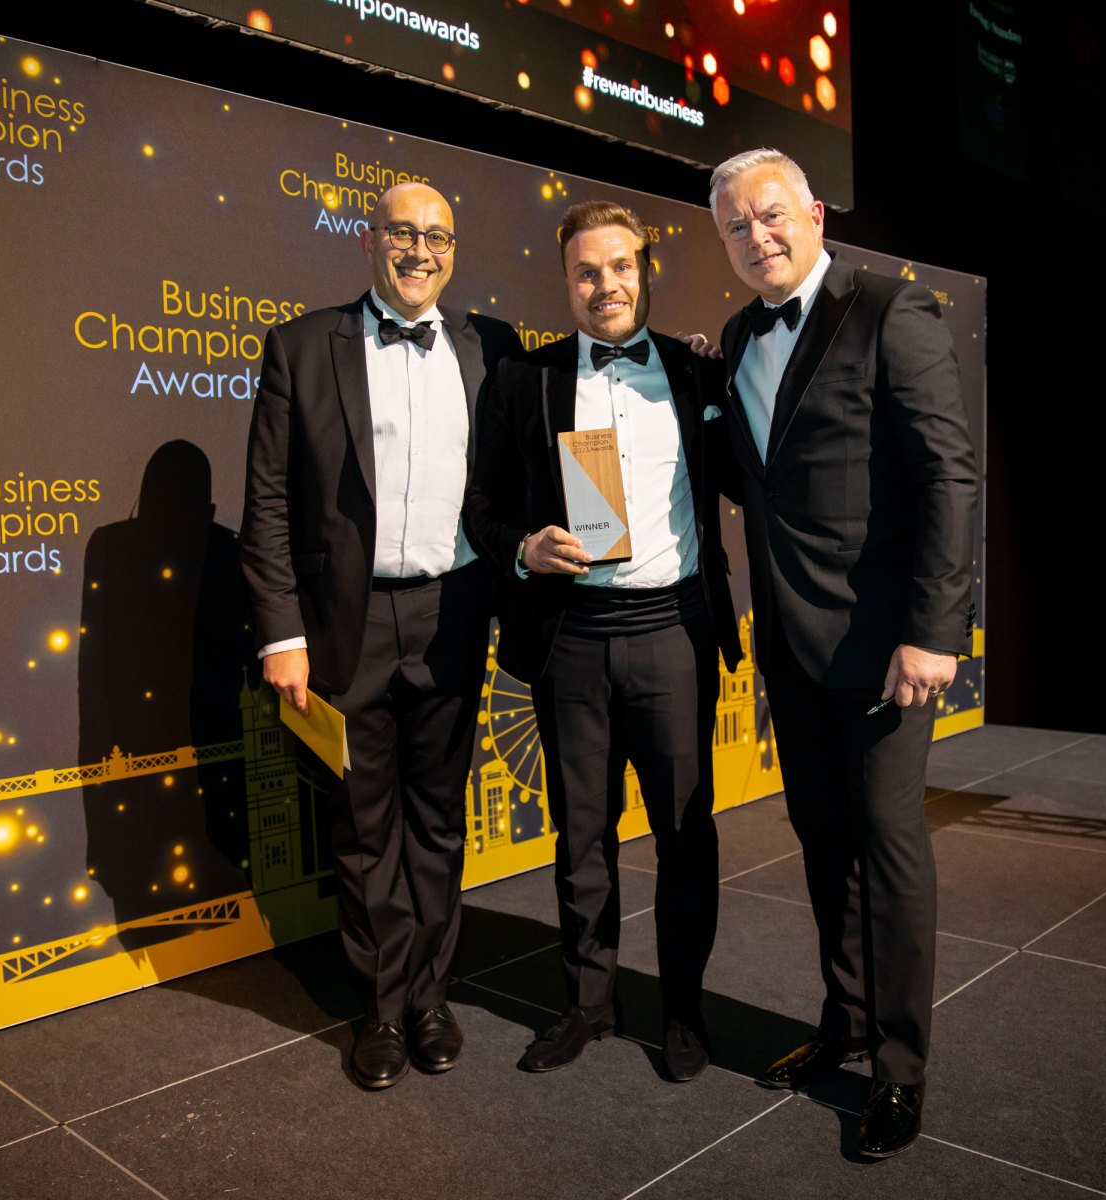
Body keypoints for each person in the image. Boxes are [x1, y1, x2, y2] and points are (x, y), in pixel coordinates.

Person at [707, 149, 978, 1157]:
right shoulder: (739, 335)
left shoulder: (891, 310)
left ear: (815, 214)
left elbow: (948, 476)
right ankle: (848, 1020)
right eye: (736, 226)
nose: (757, 237)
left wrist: (934, 632)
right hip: (788, 638)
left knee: (889, 845)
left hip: (885, 645)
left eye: (771, 215)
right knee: (823, 840)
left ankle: (900, 1071)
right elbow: (760, 478)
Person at [240, 181, 521, 1089]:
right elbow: (269, 504)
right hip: (344, 625)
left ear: (454, 249)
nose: (420, 250)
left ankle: (430, 998)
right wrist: (281, 633)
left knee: (438, 820)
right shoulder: (300, 346)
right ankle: (381, 1009)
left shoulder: (492, 347)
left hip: (452, 615)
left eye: (437, 235)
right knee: (363, 829)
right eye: (402, 232)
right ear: (369, 242)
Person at [465, 200, 742, 1082]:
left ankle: (683, 1008)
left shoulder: (697, 374)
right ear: (566, 282)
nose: (605, 285)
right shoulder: (525, 381)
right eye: (586, 272)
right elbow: (481, 506)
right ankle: (588, 1004)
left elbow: (748, 474)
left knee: (685, 835)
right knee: (581, 836)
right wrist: (523, 547)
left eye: (621, 267)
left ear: (645, 270)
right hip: (573, 639)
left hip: (673, 636)